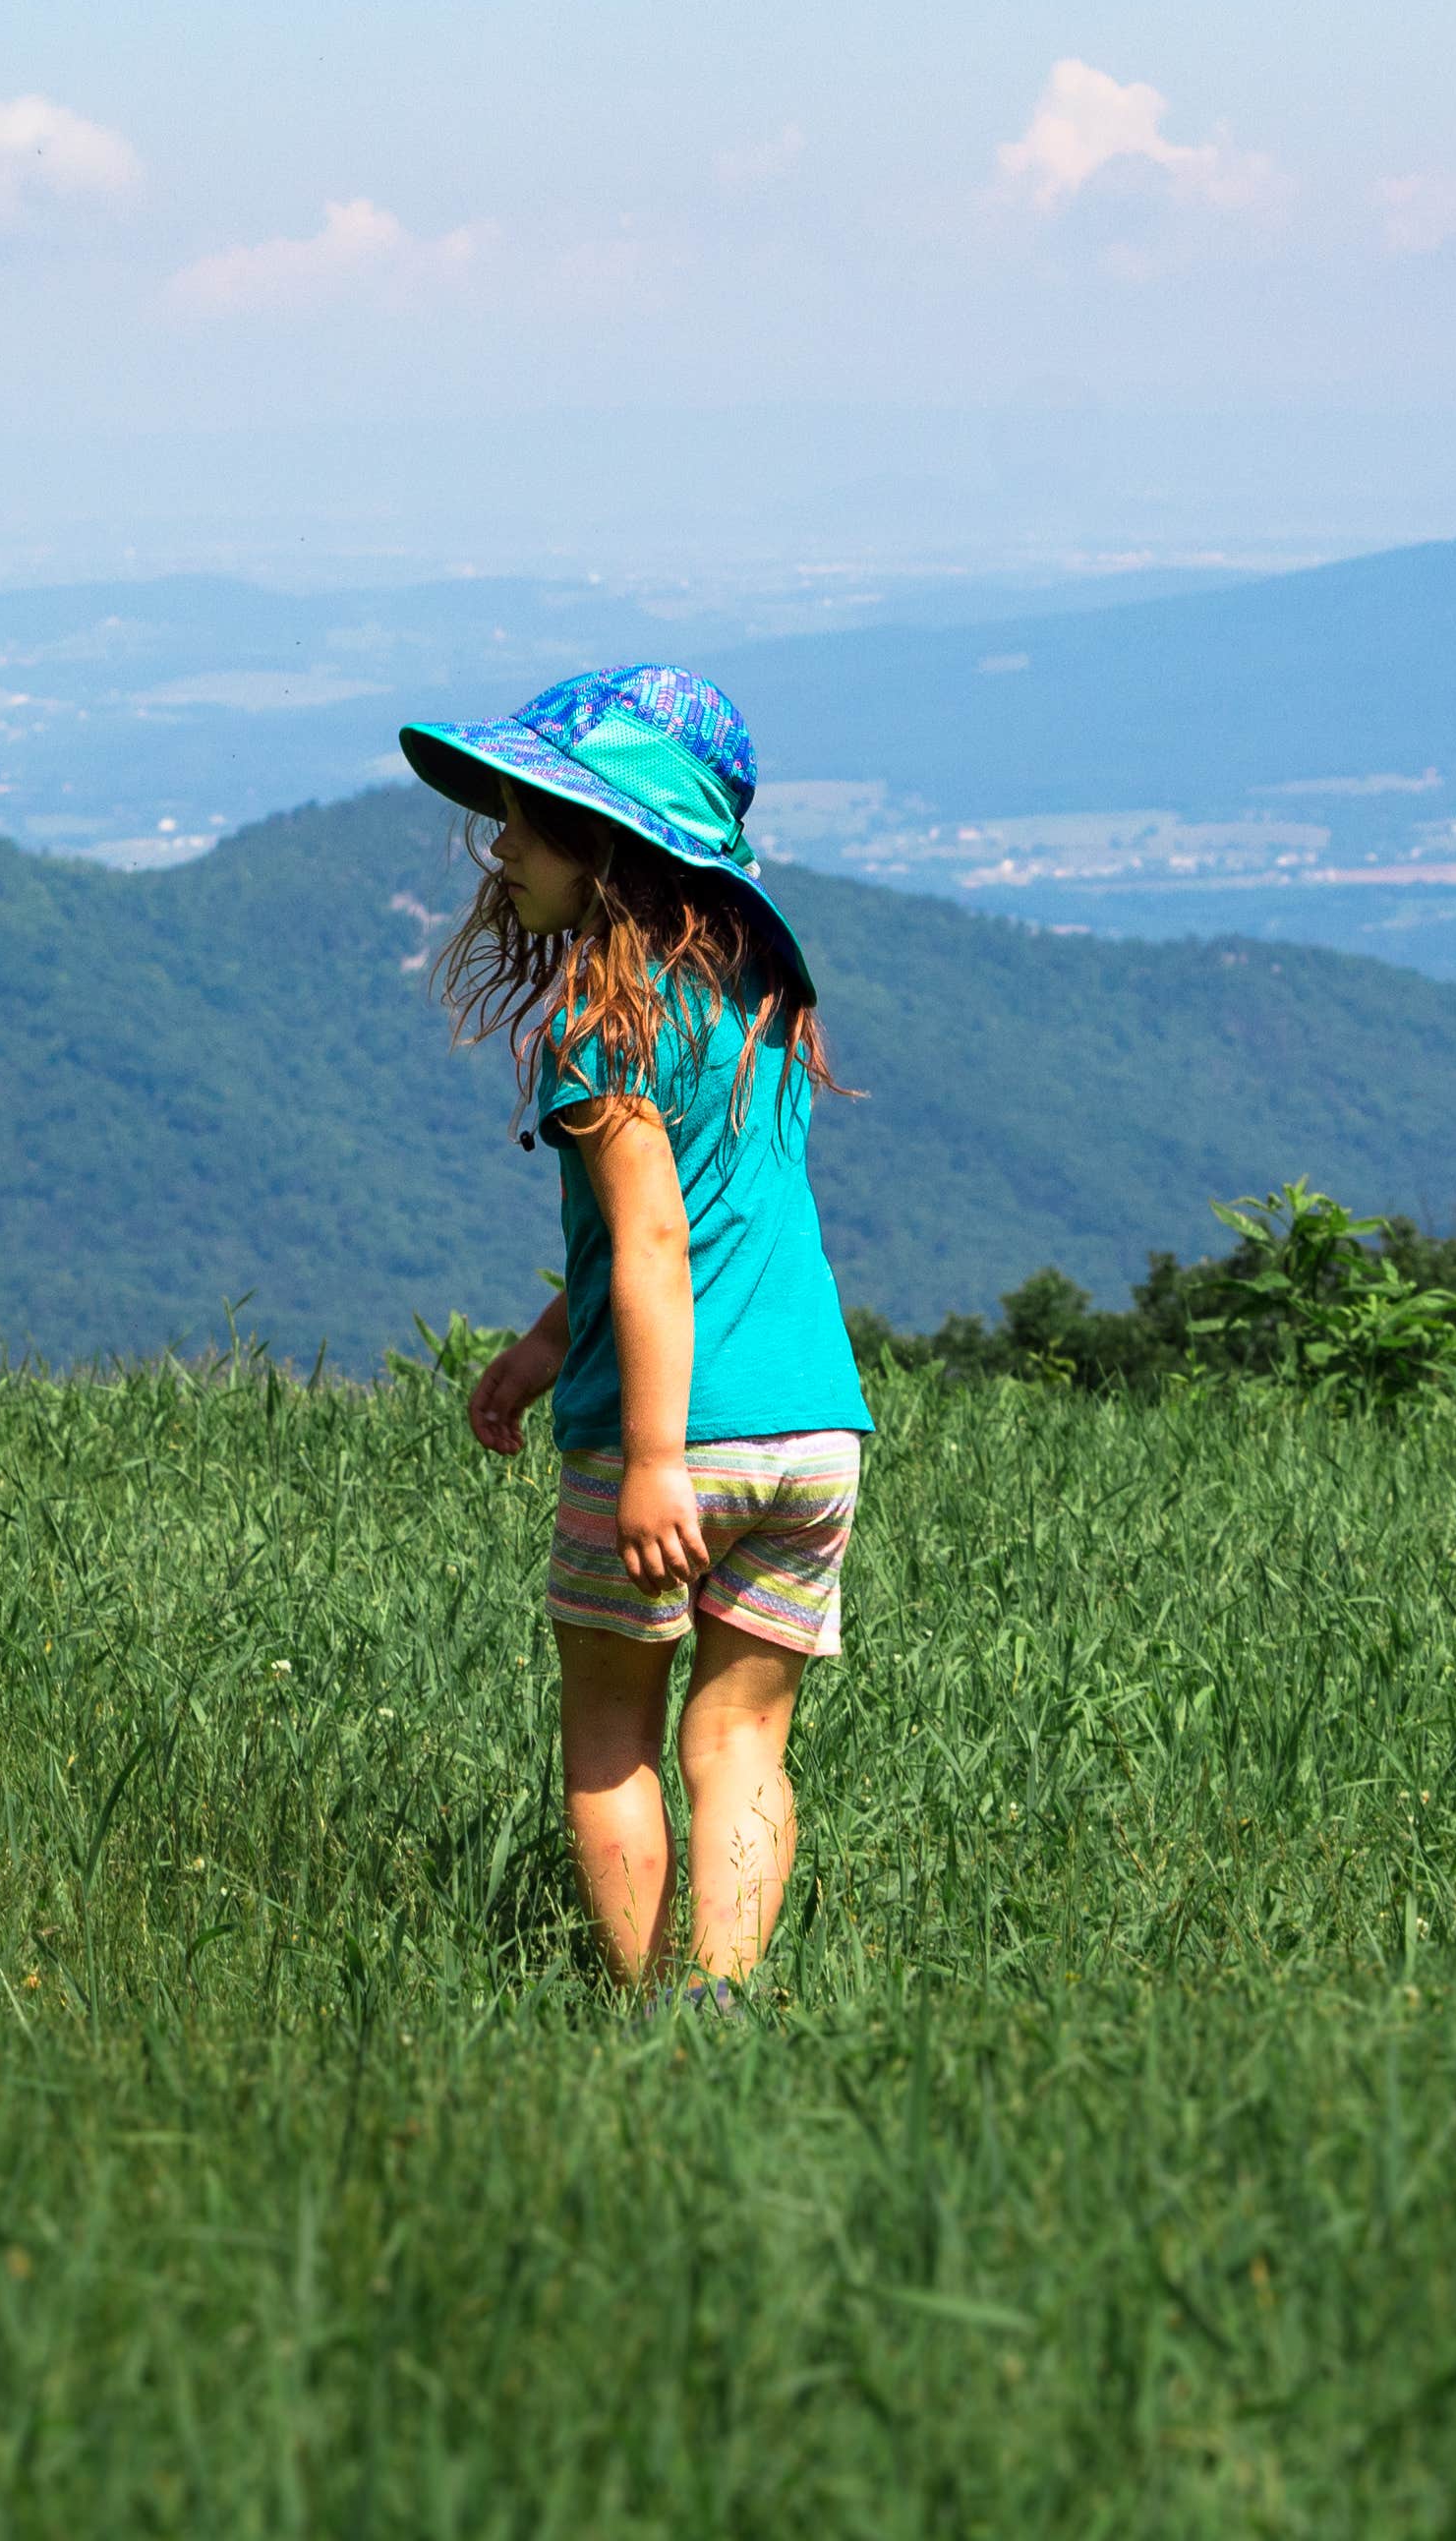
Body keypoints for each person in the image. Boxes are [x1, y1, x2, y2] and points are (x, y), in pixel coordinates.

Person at [402, 666, 869, 1997]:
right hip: (812, 1434)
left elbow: (655, 1242)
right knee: (742, 1747)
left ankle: (645, 2021)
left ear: (603, 849)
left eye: (529, 820)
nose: (501, 846)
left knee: (612, 1741)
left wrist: (655, 1455)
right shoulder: (764, 1005)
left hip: (671, 1442)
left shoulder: (594, 1029)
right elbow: (702, 1227)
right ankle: (722, 2010)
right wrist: (552, 1341)